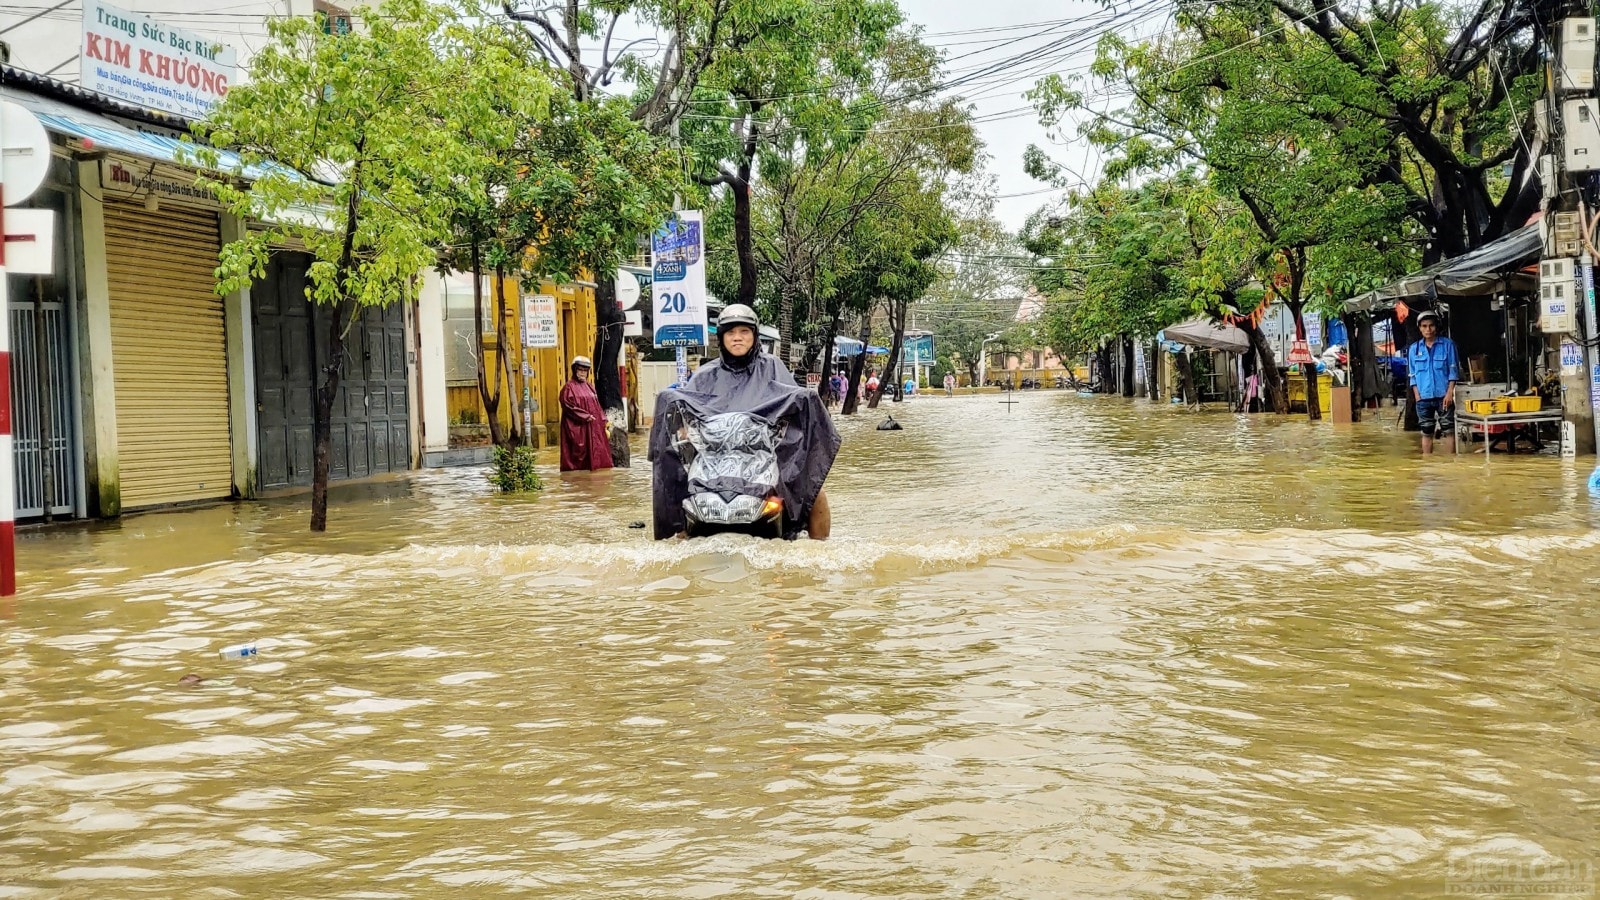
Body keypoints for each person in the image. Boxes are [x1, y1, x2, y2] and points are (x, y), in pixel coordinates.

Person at [669, 304, 837, 538]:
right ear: (721, 338)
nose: (737, 338)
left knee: (814, 489)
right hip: (714, 459)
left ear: (754, 335)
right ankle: (677, 548)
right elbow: (685, 412)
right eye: (730, 333)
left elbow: (794, 405)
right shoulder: (704, 375)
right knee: (677, 493)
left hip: (765, 455)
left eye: (744, 332)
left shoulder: (773, 368)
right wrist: (683, 430)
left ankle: (820, 549)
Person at [1407, 310, 1459, 455]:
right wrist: (1417, 396)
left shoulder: (1448, 345)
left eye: (1431, 326)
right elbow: (1412, 376)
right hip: (1423, 398)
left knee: (1448, 431)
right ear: (1420, 328)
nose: (1428, 330)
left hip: (1444, 397)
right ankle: (1427, 465)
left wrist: (1449, 394)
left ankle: (1451, 463)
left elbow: (1453, 372)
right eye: (1424, 326)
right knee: (1426, 432)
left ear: (1436, 327)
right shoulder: (1414, 349)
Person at [559, 356, 615, 472]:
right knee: (578, 456)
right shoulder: (569, 388)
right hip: (577, 428)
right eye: (580, 370)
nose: (583, 373)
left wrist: (604, 421)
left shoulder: (590, 386)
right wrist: (585, 416)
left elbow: (597, 406)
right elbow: (568, 406)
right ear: (575, 370)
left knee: (598, 454)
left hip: (593, 427)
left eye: (585, 371)